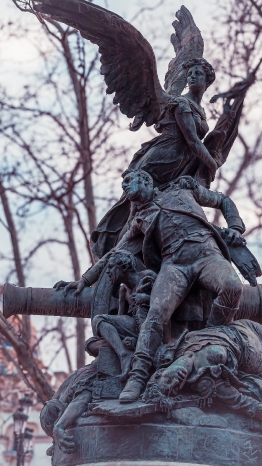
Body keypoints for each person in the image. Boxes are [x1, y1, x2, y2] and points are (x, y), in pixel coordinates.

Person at [63, 169, 246, 403]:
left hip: (207, 255)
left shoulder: (184, 189)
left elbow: (223, 200)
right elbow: (114, 253)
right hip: (175, 266)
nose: (125, 187)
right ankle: (137, 377)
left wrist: (235, 228)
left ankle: (210, 336)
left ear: (146, 180)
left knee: (233, 287)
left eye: (129, 181)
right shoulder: (139, 220)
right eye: (123, 184)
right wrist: (85, 280)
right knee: (155, 314)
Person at [91, 58, 219, 258]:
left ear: (207, 80)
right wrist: (212, 165)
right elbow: (193, 141)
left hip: (177, 165)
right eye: (190, 73)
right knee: (136, 213)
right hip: (159, 161)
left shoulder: (199, 108)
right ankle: (113, 256)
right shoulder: (181, 103)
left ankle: (145, 255)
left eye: (198, 73)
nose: (192, 76)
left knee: (155, 211)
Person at [144, 319, 262, 443]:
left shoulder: (168, 350)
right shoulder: (203, 381)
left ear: (160, 373)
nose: (176, 382)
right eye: (173, 389)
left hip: (246, 327)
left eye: (167, 381)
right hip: (255, 360)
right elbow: (239, 401)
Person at [89, 249, 156, 380]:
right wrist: (123, 339)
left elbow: (165, 301)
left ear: (124, 266)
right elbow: (120, 319)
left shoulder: (148, 276)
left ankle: (128, 350)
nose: (107, 271)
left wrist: (146, 298)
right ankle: (124, 354)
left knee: (100, 319)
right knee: (91, 342)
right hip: (133, 328)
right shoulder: (123, 291)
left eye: (111, 267)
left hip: (151, 327)